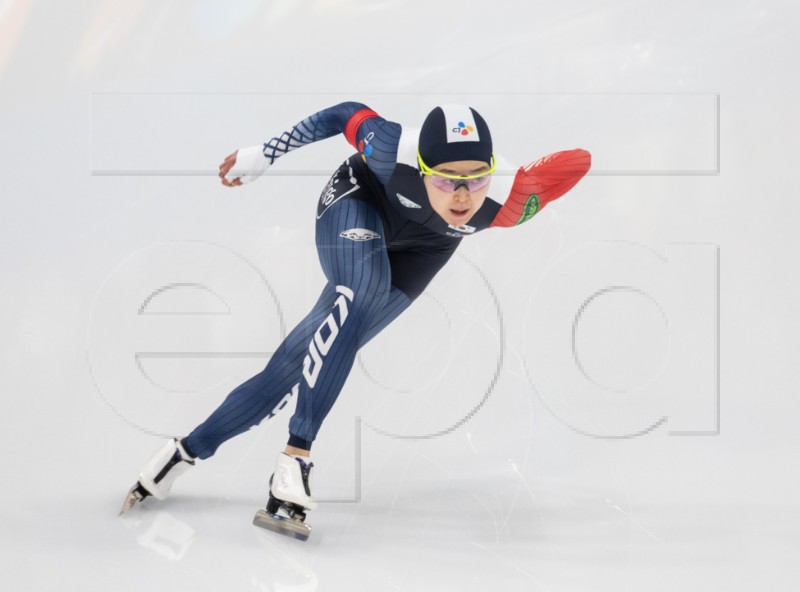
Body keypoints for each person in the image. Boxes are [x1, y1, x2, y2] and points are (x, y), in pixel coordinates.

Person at [121, 101, 591, 539]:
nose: (464, 195)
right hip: (359, 200)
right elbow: (343, 114)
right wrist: (263, 154)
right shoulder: (388, 149)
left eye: (477, 178)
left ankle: (182, 454)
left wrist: (532, 175)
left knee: (296, 363)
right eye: (447, 180)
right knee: (360, 291)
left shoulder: (510, 200)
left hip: (425, 250)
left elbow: (578, 161)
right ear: (421, 168)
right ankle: (295, 458)